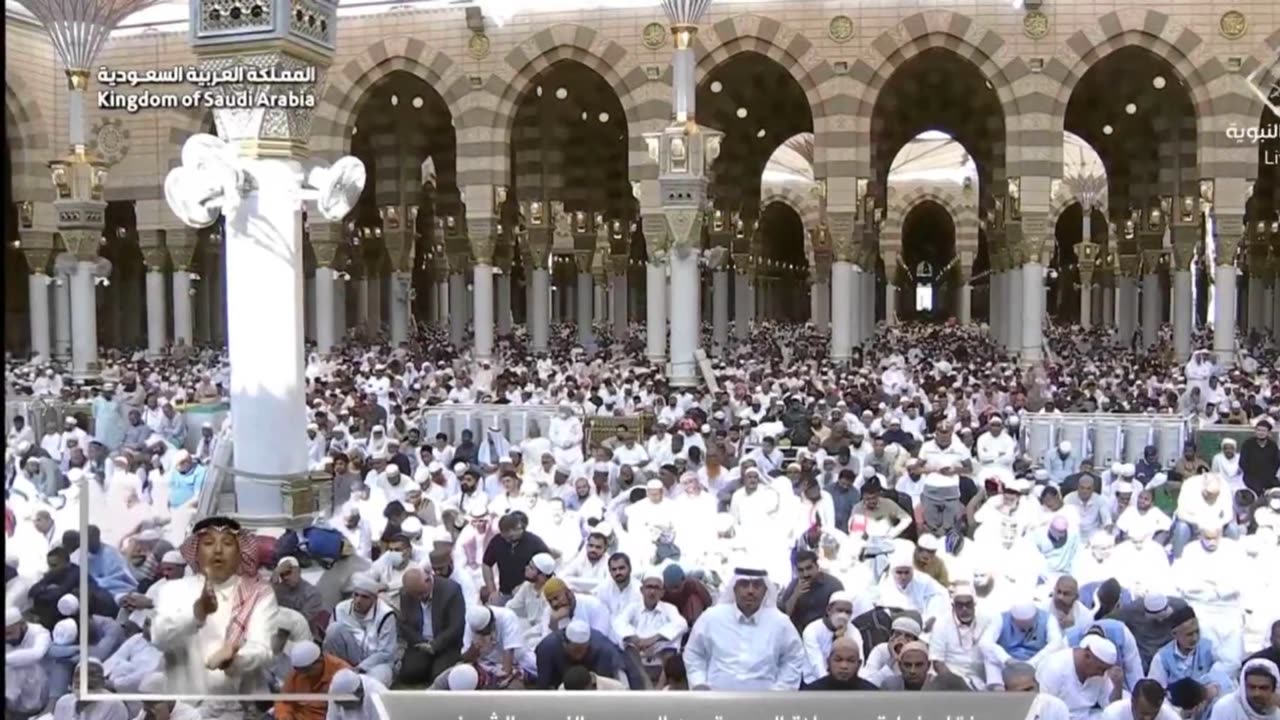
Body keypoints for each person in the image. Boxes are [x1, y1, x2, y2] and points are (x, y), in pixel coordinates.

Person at [150, 515, 279, 694]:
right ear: (196, 551)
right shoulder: (172, 590)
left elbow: (263, 649)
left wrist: (235, 659)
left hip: (240, 707)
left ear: (240, 551)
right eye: (209, 543)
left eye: (227, 543)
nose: (218, 550)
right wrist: (197, 612)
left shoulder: (258, 593)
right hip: (187, 707)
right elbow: (159, 639)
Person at [682, 567, 806, 690]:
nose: (750, 591)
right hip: (717, 704)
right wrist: (699, 683)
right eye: (744, 585)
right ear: (734, 588)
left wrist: (781, 690)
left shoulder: (780, 622)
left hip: (765, 705)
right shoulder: (712, 617)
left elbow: (794, 658)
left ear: (765, 590)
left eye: (757, 585)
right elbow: (694, 653)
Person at [323, 573, 398, 686]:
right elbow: (330, 644)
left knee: (375, 683)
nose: (358, 600)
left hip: (377, 662)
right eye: (356, 595)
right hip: (349, 658)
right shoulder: (340, 609)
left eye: (364, 597)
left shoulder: (386, 614)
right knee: (333, 629)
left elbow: (386, 652)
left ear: (374, 599)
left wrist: (361, 668)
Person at [397, 566, 466, 686]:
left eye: (421, 594)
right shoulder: (406, 593)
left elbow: (456, 626)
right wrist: (420, 642)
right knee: (408, 674)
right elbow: (405, 625)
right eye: (415, 596)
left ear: (428, 581)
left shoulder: (451, 590)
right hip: (421, 644)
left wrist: (435, 645)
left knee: (438, 676)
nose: (419, 598)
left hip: (446, 645)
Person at [534, 619, 642, 690]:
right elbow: (544, 686)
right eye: (576, 650)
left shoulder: (603, 648)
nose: (580, 655)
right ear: (564, 644)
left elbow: (623, 681)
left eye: (583, 650)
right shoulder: (547, 648)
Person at [1034, 636, 1124, 720]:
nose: (1102, 674)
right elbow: (1042, 710)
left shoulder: (1100, 673)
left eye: (1105, 670)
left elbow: (1111, 708)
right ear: (1087, 656)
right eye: (1100, 669)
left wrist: (1118, 685)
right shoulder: (1054, 667)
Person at [276, 641, 351, 720]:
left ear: (321, 659)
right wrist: (284, 716)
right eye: (301, 671)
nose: (305, 674)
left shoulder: (343, 672)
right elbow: (283, 701)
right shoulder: (297, 675)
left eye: (308, 670)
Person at [1206, 659, 1279, 720]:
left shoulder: (1277, 711)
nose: (1257, 693)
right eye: (1252, 687)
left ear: (1274, 689)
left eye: (1263, 688)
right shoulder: (1225, 708)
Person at [801, 637, 878, 690]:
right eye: (838, 660)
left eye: (850, 661)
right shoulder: (812, 693)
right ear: (828, 662)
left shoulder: (872, 694)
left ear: (859, 664)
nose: (844, 666)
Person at [1099, 679, 1180, 720]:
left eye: (1154, 713)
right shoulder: (1112, 715)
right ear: (1133, 701)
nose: (1148, 718)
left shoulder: (1171, 717)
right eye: (1144, 713)